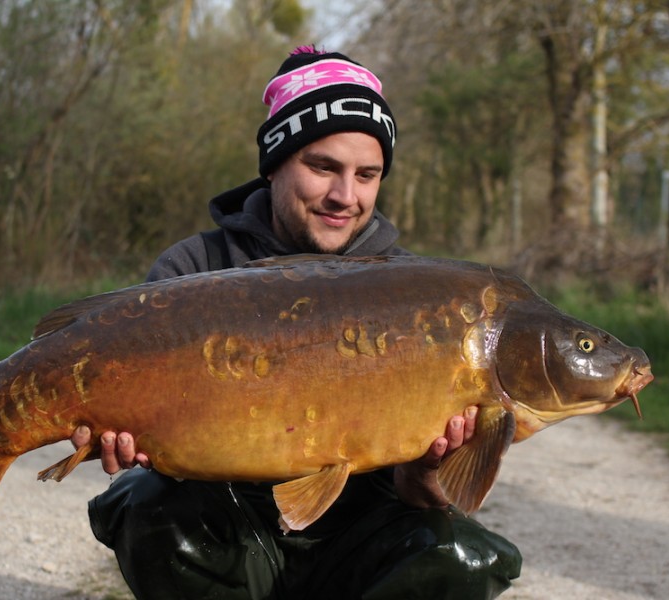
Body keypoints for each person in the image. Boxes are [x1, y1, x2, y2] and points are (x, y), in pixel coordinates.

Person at [71, 46, 522, 599]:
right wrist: (128, 440)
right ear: (275, 163)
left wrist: (429, 470)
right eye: (322, 166)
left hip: (358, 542)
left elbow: (422, 502)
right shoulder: (192, 271)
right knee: (145, 504)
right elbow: (160, 450)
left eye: (367, 174)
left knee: (466, 558)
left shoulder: (416, 294)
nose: (345, 196)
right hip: (233, 529)